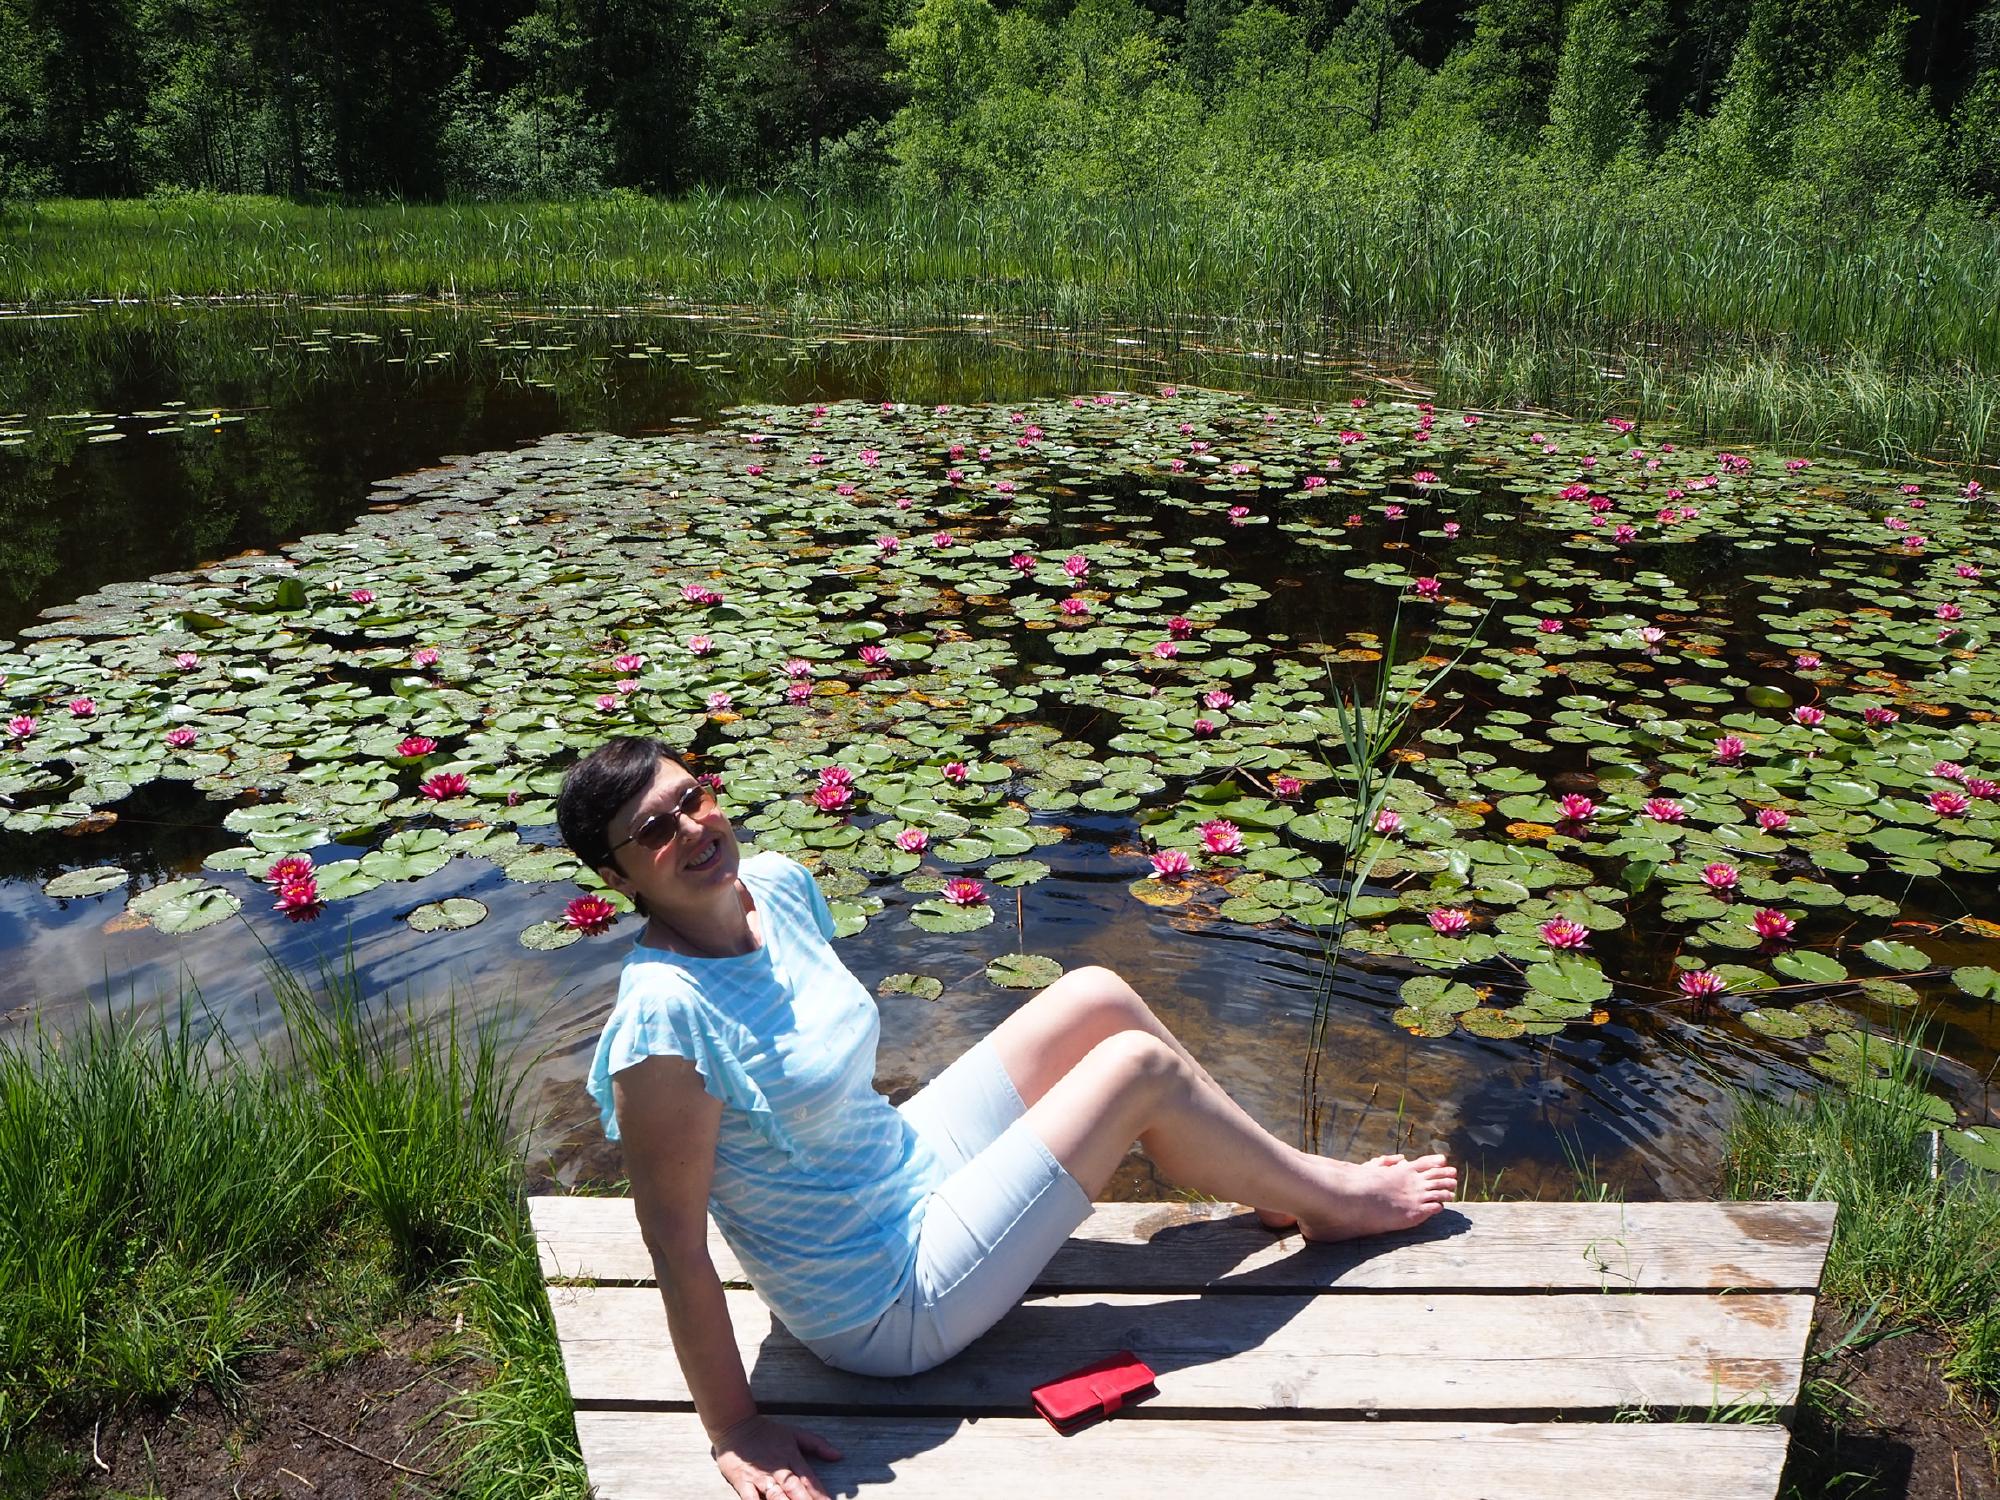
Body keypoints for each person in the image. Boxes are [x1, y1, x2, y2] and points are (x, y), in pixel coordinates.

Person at [558, 737, 1457, 1500]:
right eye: (654, 830)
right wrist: (734, 1427)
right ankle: (1329, 1202)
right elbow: (674, 1245)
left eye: (693, 798)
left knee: (1096, 996)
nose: (693, 828)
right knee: (1136, 1069)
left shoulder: (779, 887)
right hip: (881, 1299)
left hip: (905, 1163)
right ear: (615, 875)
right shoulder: (664, 1020)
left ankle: (1271, 1179)